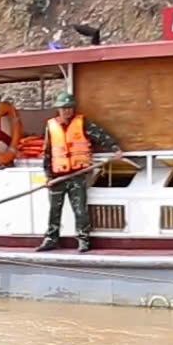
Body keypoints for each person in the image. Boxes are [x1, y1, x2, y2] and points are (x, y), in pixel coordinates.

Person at [37, 92, 120, 253]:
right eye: (63, 108)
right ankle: (51, 239)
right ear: (58, 109)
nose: (66, 111)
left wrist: (114, 148)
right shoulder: (51, 126)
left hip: (78, 175)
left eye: (69, 108)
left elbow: (100, 135)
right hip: (57, 176)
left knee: (80, 209)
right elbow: (47, 152)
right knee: (54, 210)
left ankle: (83, 239)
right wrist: (48, 176)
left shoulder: (82, 123)